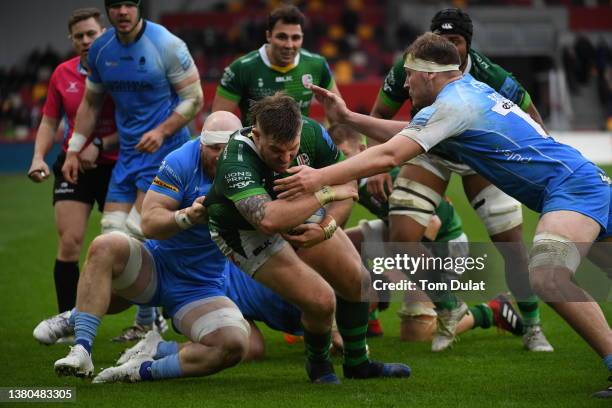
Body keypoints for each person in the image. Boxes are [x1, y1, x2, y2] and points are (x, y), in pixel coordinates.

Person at [275, 32, 612, 398]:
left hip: (571, 189)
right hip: (582, 181)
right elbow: (407, 132)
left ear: (429, 74)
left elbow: (390, 156)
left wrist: (318, 177)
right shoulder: (464, 93)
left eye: (408, 74)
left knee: (547, 276)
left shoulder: (455, 104)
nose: (404, 83)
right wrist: (349, 118)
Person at [365, 8, 551, 352]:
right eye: (442, 39)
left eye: (457, 41)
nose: (449, 46)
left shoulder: (490, 74)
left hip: (483, 159)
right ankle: (450, 308)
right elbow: (379, 114)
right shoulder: (409, 65)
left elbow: (532, 117)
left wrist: (533, 165)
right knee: (401, 238)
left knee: (511, 246)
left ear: (469, 44)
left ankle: (532, 324)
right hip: (431, 150)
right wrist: (376, 166)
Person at [205, 93, 411, 383]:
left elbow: (348, 182)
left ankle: (358, 364)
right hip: (243, 232)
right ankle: (319, 366)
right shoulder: (234, 159)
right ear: (256, 134)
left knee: (358, 282)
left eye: (292, 149)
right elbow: (269, 219)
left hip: (298, 210)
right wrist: (325, 192)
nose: (285, 159)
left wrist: (326, 227)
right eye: (276, 150)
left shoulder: (313, 133)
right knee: (321, 300)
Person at [36, 111, 252, 383]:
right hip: (156, 267)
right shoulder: (181, 160)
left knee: (236, 345)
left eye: (227, 148)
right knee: (106, 244)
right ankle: (81, 349)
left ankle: (142, 365)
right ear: (201, 144)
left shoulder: (248, 167)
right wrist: (186, 217)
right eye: (214, 148)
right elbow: (149, 222)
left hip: (201, 287)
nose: (220, 156)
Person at [63, 0, 203, 342]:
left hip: (166, 153)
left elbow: (194, 99)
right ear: (107, 10)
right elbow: (91, 102)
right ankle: (148, 320)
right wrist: (73, 148)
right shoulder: (101, 49)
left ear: (139, 7)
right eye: (115, 5)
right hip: (128, 155)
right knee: (111, 231)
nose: (122, 11)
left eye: (129, 4)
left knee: (135, 233)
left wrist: (162, 131)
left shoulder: (167, 44)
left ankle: (145, 321)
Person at [328, 124, 524, 342]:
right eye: (335, 160)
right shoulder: (347, 183)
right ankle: (370, 318)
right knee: (341, 243)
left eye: (345, 155)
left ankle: (492, 311)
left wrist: (389, 280)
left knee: (416, 333)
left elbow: (433, 223)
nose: (342, 165)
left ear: (363, 151)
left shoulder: (387, 176)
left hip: (443, 247)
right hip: (398, 236)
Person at [27, 8, 117, 318]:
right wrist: (38, 157)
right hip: (73, 165)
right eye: (79, 36)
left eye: (91, 33)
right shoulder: (61, 74)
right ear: (72, 40)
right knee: (70, 242)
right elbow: (50, 122)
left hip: (117, 166)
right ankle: (67, 320)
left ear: (103, 33)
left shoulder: (122, 69)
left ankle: (147, 322)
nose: (85, 40)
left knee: (128, 242)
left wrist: (101, 145)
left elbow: (138, 123)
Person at [211, 4, 340, 124]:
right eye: (282, 37)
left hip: (301, 146)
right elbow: (217, 124)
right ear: (268, 36)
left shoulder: (317, 65)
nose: (289, 45)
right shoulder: (241, 68)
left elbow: (339, 117)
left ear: (302, 37)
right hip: (255, 146)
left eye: (295, 38)